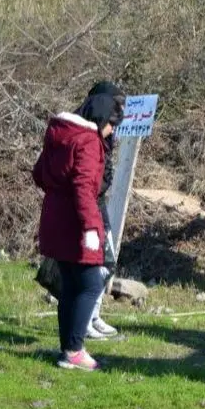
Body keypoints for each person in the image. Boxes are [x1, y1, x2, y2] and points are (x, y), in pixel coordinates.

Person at [32, 93, 124, 371]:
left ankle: (68, 351)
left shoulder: (59, 134)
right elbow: (84, 189)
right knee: (90, 285)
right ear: (101, 120)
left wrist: (58, 190)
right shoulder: (88, 141)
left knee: (71, 286)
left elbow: (39, 174)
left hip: (53, 218)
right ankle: (74, 350)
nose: (112, 131)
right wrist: (91, 228)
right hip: (77, 222)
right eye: (111, 124)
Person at [82, 81, 125, 341]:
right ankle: (84, 318)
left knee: (106, 263)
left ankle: (93, 316)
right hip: (89, 206)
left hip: (98, 203)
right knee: (95, 265)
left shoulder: (103, 132)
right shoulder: (86, 134)